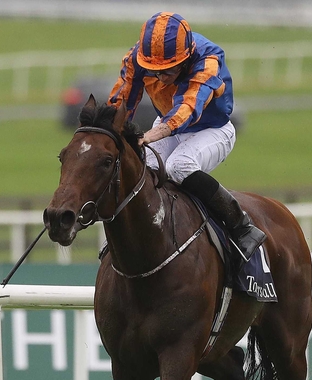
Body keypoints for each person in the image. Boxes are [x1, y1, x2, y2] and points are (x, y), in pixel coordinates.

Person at [107, 11, 265, 262]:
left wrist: (147, 136)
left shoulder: (208, 60)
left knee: (178, 166)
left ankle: (241, 226)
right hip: (169, 123)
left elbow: (187, 110)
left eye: (167, 71)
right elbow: (121, 101)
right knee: (143, 166)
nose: (159, 77)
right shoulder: (138, 56)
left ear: (186, 59)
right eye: (153, 70)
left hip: (212, 129)